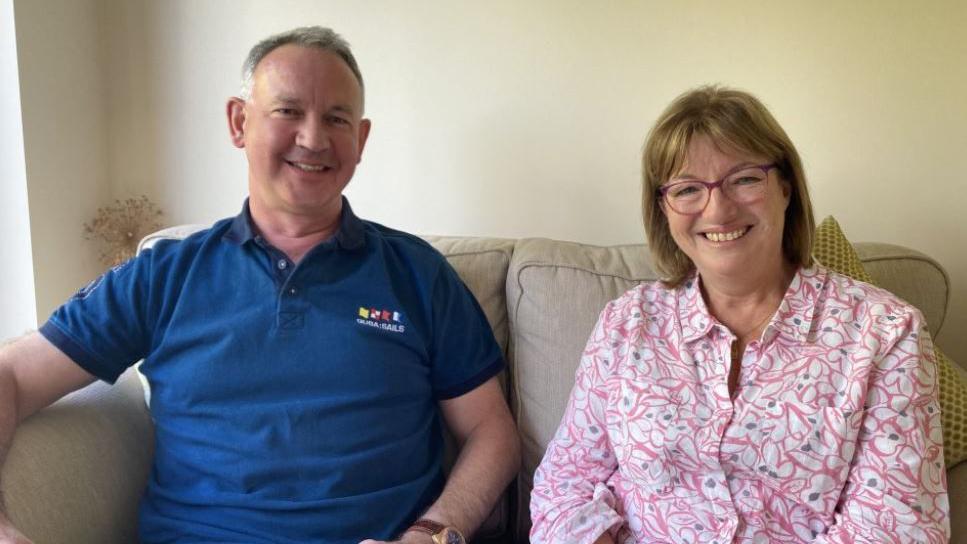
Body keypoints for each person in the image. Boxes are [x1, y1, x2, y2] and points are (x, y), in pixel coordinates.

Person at [0, 26, 519, 544]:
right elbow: (13, 376)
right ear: (239, 121)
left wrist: (430, 533)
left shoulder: (417, 274)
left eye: (336, 118)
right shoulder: (162, 276)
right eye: (288, 111)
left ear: (360, 141)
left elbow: (491, 432)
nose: (313, 138)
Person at [529, 86, 948, 543]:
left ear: (786, 187)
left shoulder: (886, 334)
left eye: (745, 179)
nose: (719, 209)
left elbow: (899, 529)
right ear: (663, 210)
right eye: (688, 189)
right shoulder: (625, 324)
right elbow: (562, 486)